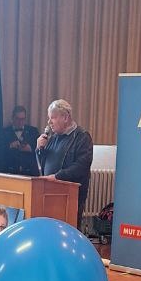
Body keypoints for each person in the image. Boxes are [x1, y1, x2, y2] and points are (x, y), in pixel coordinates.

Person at [36, 99, 93, 232]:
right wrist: (39, 149)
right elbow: (43, 164)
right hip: (48, 193)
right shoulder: (53, 137)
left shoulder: (82, 137)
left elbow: (82, 166)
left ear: (65, 117)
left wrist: (57, 176)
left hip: (70, 197)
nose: (49, 122)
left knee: (67, 233)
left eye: (53, 118)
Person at [0, 105, 39, 175]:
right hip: (9, 171)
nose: (20, 122)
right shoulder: (4, 132)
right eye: (17, 119)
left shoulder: (33, 131)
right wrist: (10, 146)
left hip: (30, 172)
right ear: (12, 118)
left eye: (22, 119)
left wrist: (30, 149)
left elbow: (40, 151)